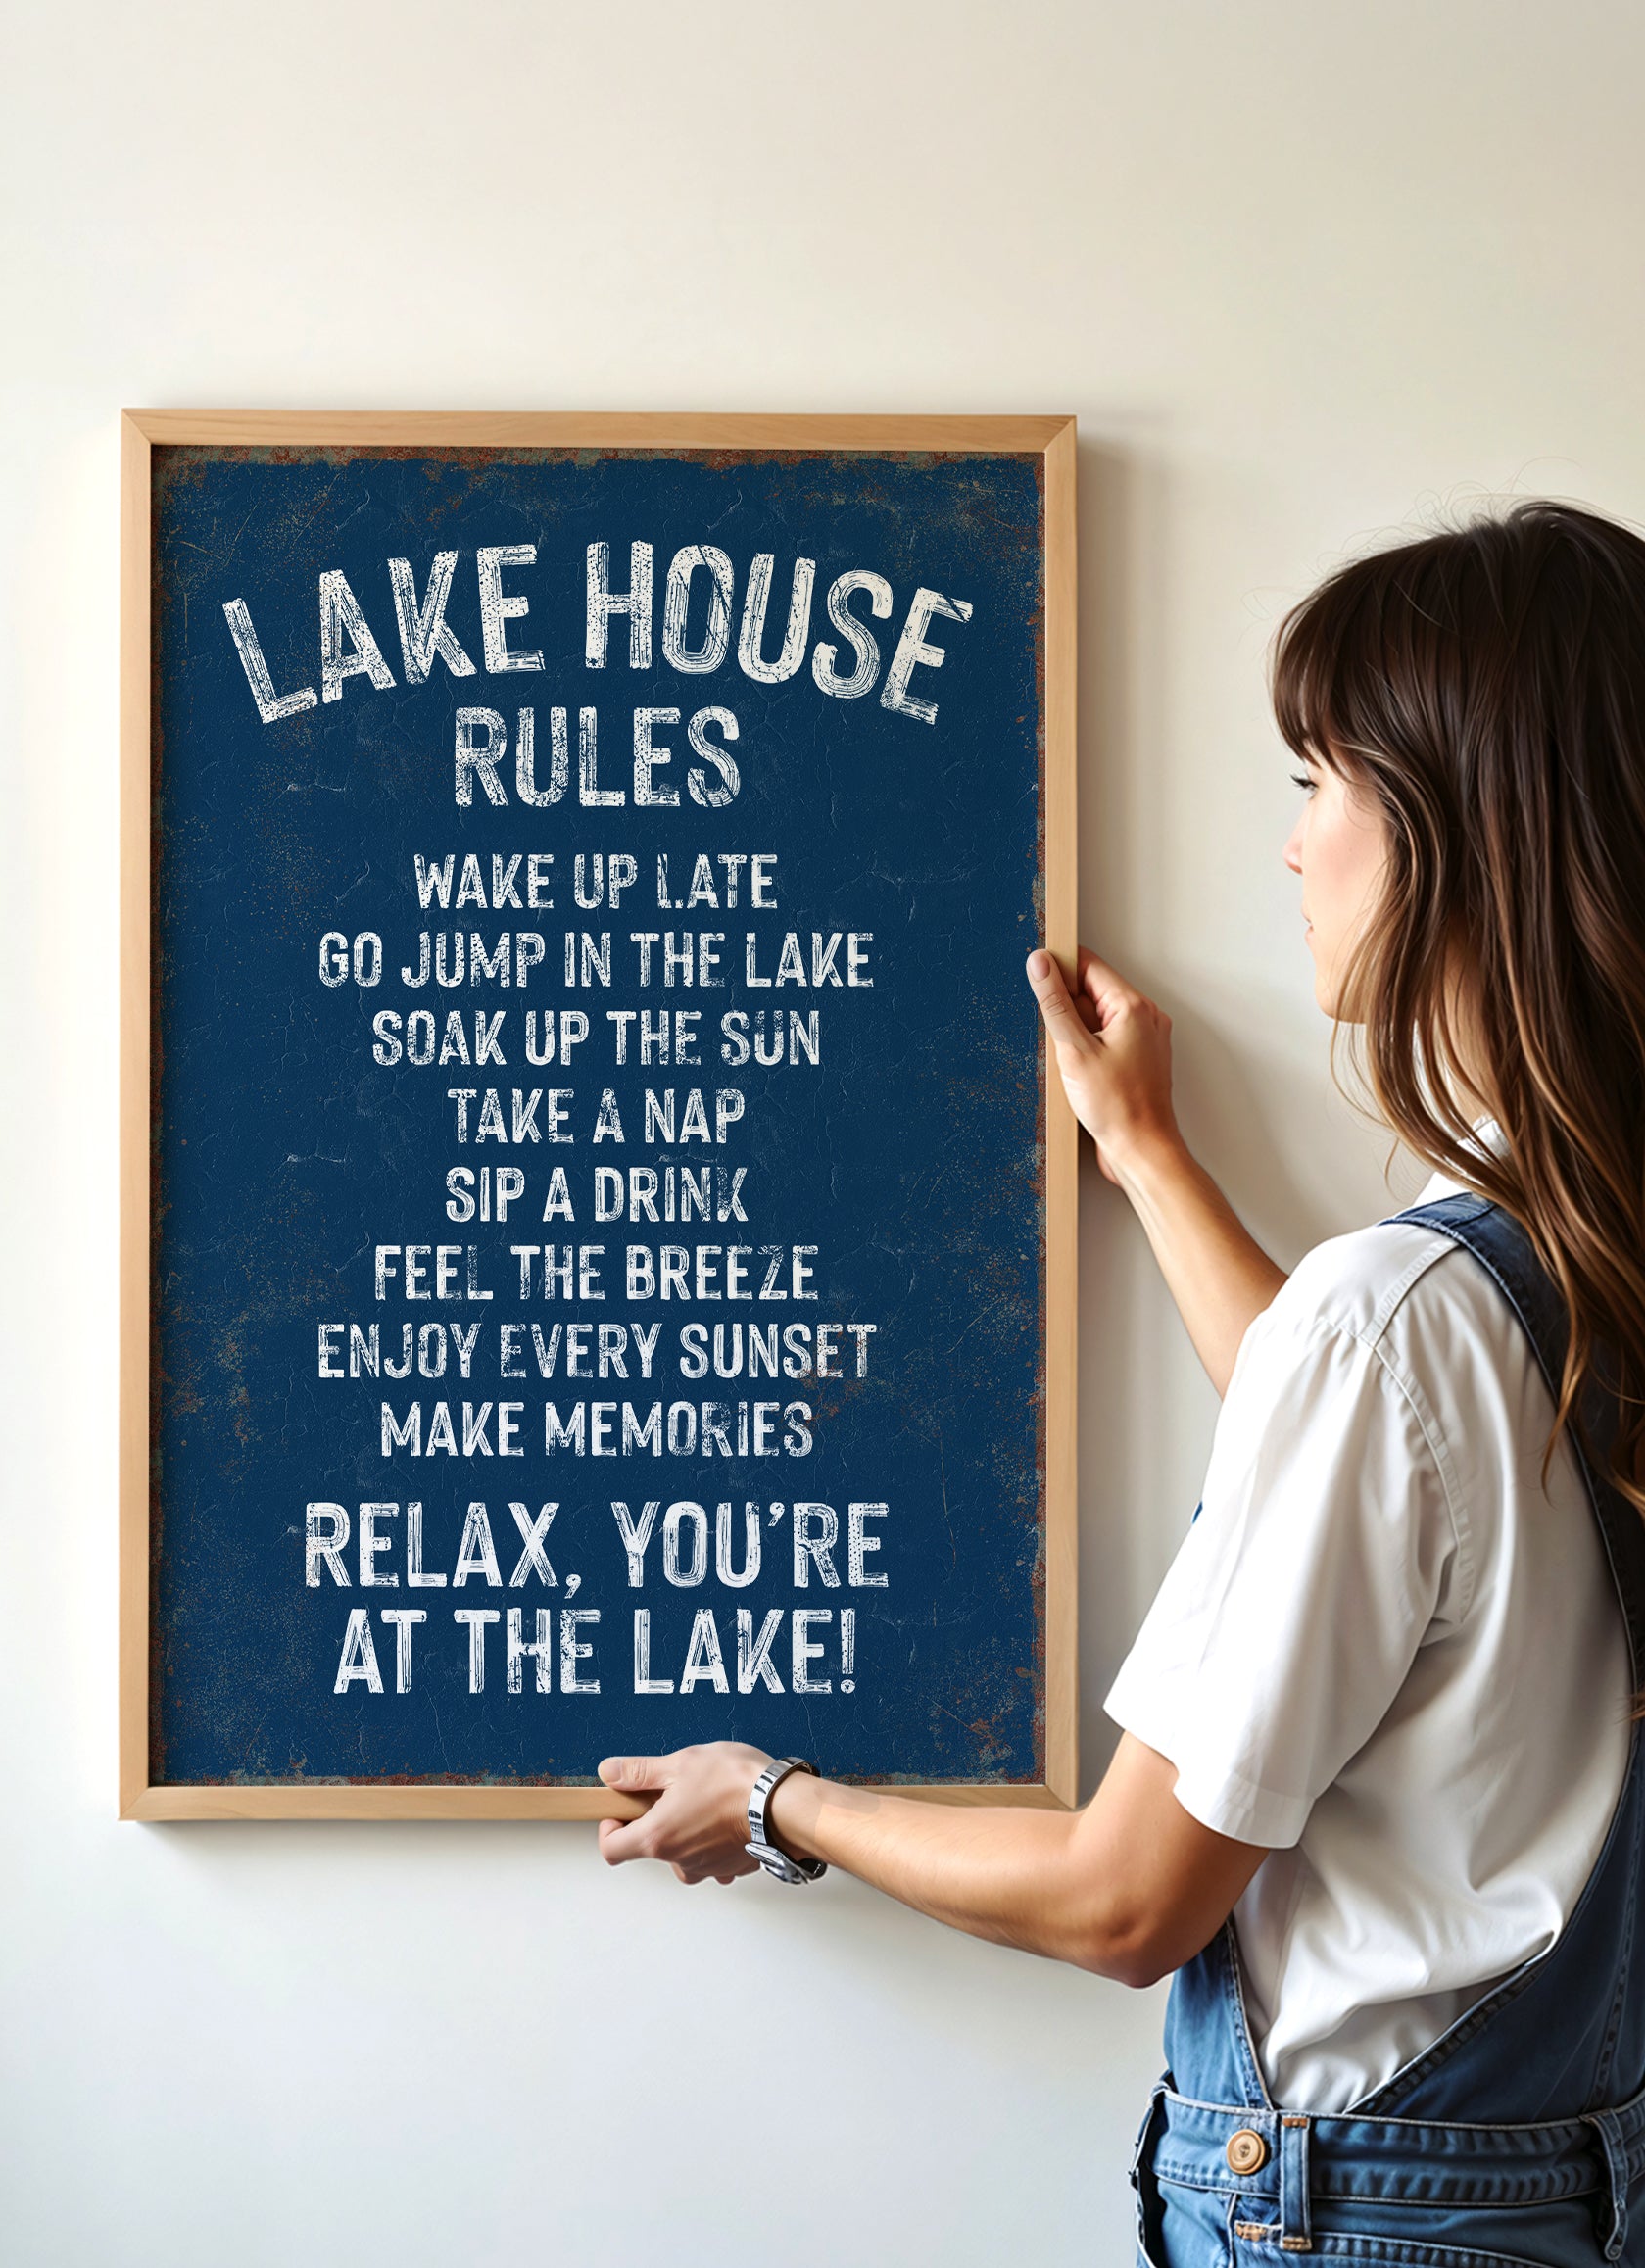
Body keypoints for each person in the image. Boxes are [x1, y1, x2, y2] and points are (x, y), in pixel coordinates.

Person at [594, 501, 1645, 2265]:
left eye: (1320, 781)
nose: (1293, 845)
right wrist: (1150, 1156)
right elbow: (1389, 1471)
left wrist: (777, 1800)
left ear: (1456, 834)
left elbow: (1124, 1899)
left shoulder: (1399, 1324)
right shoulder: (1572, 1275)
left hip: (1371, 2222)